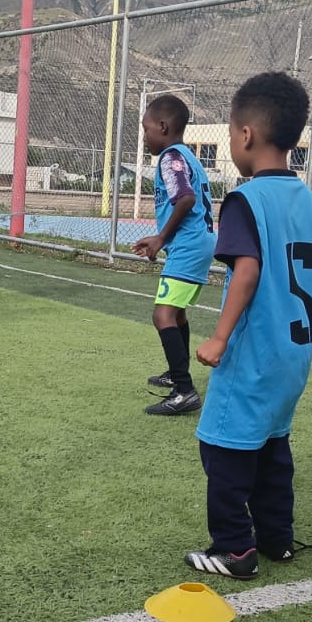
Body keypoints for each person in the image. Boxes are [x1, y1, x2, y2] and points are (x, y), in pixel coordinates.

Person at [186, 71, 312, 580]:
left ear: (245, 135)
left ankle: (235, 548)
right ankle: (277, 539)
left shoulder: (246, 200)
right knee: (272, 443)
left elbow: (248, 271)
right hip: (295, 356)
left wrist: (219, 336)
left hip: (254, 354)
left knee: (222, 444)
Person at [130, 94, 215, 416]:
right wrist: (161, 241)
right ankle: (176, 373)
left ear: (163, 127)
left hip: (189, 245)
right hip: (198, 242)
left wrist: (161, 238)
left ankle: (184, 390)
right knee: (176, 314)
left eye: (146, 128)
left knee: (162, 315)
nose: (144, 136)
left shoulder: (170, 158)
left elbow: (186, 199)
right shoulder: (187, 156)